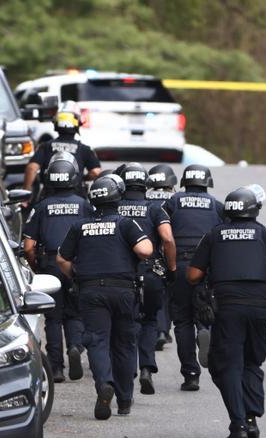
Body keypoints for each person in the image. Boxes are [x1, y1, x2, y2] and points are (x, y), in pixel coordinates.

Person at [187, 185, 266, 438]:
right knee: (252, 362)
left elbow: (193, 275)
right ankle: (251, 419)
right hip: (261, 307)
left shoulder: (214, 235)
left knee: (227, 365)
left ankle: (238, 423)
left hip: (228, 307)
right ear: (255, 210)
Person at [56, 175, 154, 420]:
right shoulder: (125, 223)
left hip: (90, 291)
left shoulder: (79, 226)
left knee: (97, 341)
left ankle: (103, 385)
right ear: (117, 197)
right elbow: (145, 250)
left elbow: (61, 259)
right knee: (124, 344)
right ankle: (124, 400)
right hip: (123, 290)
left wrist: (75, 277)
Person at [23, 152, 92, 383]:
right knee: (75, 313)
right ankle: (74, 346)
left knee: (53, 318)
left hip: (50, 265)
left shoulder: (42, 207)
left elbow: (29, 245)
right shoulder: (84, 205)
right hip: (77, 265)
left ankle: (57, 368)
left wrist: (36, 268)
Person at [115, 163, 177, 395]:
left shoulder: (114, 208)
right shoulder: (154, 209)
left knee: (125, 324)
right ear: (146, 184)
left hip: (122, 275)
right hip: (151, 273)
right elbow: (168, 239)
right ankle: (147, 369)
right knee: (150, 320)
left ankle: (127, 370)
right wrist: (171, 268)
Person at [163, 164, 225, 392]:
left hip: (179, 264)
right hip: (206, 267)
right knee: (205, 309)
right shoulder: (217, 206)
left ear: (184, 181)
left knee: (181, 320)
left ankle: (190, 375)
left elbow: (163, 233)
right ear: (207, 183)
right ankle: (204, 330)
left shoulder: (173, 202)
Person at [23, 106, 102, 197]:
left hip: (49, 196)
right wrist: (83, 178)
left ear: (56, 125)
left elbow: (32, 168)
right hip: (77, 198)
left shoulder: (46, 146)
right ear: (76, 126)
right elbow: (96, 172)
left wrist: (26, 193)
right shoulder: (84, 149)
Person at [146, 164, 179, 350]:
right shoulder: (175, 199)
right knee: (168, 292)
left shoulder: (145, 197)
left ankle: (154, 329)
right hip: (170, 248)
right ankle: (162, 330)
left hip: (148, 248)